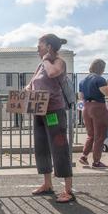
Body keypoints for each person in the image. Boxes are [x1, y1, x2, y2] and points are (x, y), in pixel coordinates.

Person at [25, 34, 74, 203]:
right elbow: (31, 84)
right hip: (39, 110)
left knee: (59, 148)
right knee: (42, 147)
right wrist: (27, 90)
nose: (37, 48)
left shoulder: (58, 62)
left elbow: (53, 73)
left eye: (40, 45)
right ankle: (47, 184)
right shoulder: (40, 66)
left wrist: (46, 60)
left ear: (49, 47)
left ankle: (68, 189)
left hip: (54, 111)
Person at [78, 59, 108, 169]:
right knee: (100, 136)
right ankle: (96, 162)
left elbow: (80, 97)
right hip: (98, 107)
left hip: (86, 107)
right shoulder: (100, 79)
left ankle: (84, 156)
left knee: (91, 135)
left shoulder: (82, 81)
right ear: (101, 69)